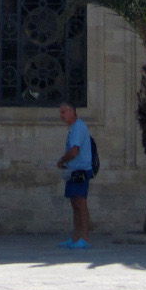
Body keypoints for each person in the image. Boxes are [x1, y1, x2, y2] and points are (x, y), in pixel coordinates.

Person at [56, 102, 92, 249]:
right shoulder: (73, 128)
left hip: (80, 171)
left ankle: (84, 237)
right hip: (73, 171)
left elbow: (74, 151)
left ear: (72, 111)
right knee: (75, 204)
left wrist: (62, 160)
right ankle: (76, 237)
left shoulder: (78, 127)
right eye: (61, 112)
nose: (62, 115)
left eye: (64, 112)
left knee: (80, 204)